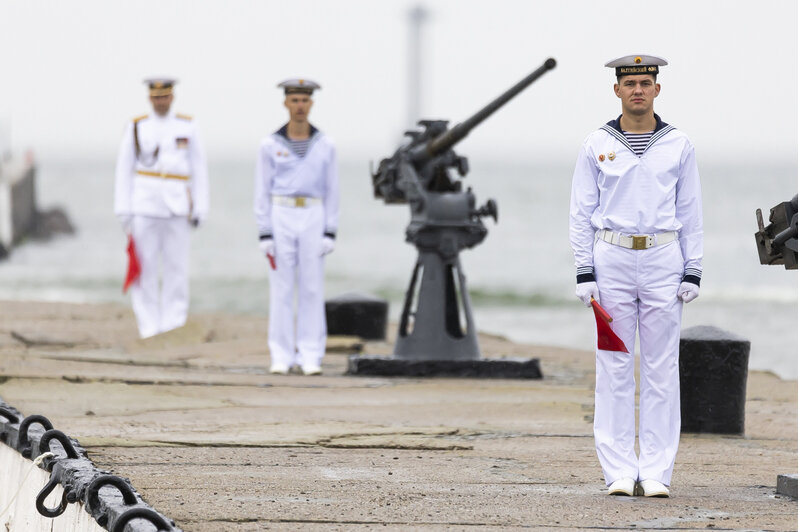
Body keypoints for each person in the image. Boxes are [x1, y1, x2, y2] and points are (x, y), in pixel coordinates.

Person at [569, 55, 703, 498]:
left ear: (657, 90)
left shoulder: (678, 144)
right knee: (614, 365)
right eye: (630, 83)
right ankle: (619, 471)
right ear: (617, 90)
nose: (638, 90)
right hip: (613, 257)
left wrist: (693, 268)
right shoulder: (596, 143)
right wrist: (584, 270)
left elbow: (691, 212)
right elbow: (581, 212)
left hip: (664, 257)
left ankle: (657, 472)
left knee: (663, 368)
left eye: (646, 83)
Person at [254, 78, 339, 376]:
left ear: (311, 103)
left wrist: (330, 230)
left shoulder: (325, 144)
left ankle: (311, 354)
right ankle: (281, 354)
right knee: (281, 287)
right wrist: (265, 231)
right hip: (282, 212)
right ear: (285, 103)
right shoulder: (270, 144)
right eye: (295, 100)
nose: (300, 106)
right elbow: (261, 191)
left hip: (312, 213)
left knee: (312, 287)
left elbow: (332, 191)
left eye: (304, 100)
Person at [114, 78, 209, 338]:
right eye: (156, 97)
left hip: (178, 205)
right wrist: (123, 209)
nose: (160, 101)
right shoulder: (137, 126)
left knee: (176, 267)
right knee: (144, 269)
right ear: (149, 98)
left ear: (172, 97)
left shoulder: (187, 125)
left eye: (164, 96)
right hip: (144, 205)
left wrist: (201, 206)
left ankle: (173, 323)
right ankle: (148, 326)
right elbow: (124, 169)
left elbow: (199, 168)